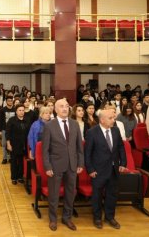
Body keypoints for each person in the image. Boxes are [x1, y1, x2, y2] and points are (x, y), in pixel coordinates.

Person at [41, 99, 84, 231]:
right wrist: (47, 167)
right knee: (54, 195)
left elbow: (79, 147)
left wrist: (80, 163)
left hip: (72, 165)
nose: (65, 109)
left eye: (66, 106)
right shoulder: (49, 126)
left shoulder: (75, 124)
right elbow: (45, 150)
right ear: (55, 109)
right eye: (61, 106)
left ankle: (67, 218)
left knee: (70, 193)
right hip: (55, 166)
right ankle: (53, 219)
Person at [84, 109, 127, 230]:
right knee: (97, 195)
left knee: (112, 194)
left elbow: (121, 148)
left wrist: (123, 163)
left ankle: (110, 217)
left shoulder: (115, 130)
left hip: (114, 169)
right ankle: (97, 217)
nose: (114, 120)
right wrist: (90, 169)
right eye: (111, 118)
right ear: (102, 120)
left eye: (114, 117)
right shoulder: (92, 132)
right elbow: (87, 153)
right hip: (98, 170)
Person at [6, 104, 30, 184]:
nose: (21, 112)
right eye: (19, 110)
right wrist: (8, 144)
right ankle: (14, 178)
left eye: (23, 110)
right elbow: (8, 133)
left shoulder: (27, 120)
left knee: (21, 162)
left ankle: (20, 177)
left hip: (23, 145)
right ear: (16, 111)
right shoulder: (12, 120)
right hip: (14, 144)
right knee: (13, 162)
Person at [0, 96, 16, 164]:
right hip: (5, 129)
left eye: (11, 101)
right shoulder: (2, 110)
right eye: (8, 101)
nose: (10, 102)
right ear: (6, 101)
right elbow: (0, 121)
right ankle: (5, 158)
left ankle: (10, 157)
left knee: (12, 144)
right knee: (4, 144)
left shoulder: (15, 109)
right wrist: (0, 130)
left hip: (13, 130)